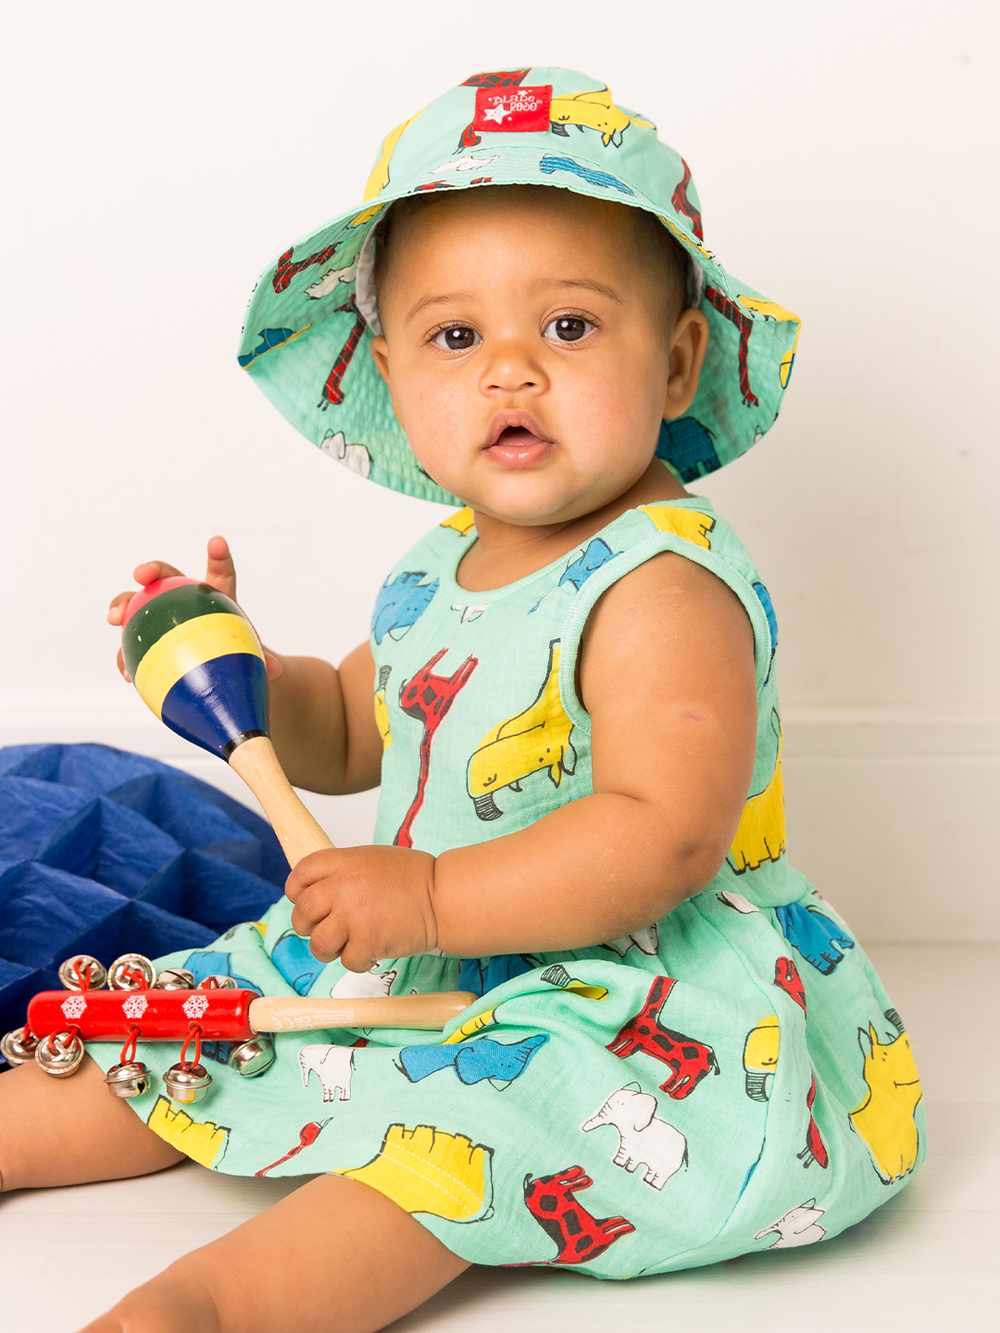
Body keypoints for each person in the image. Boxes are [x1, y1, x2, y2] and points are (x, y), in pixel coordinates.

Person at [0, 67, 924, 1333]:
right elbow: (354, 728)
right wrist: (247, 679)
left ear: (675, 362)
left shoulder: (662, 583)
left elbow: (663, 833)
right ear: (391, 374)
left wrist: (430, 895)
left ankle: (204, 1307)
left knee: (451, 1144)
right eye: (455, 338)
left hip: (620, 989)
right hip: (424, 943)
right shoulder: (438, 566)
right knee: (193, 1017)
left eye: (569, 327)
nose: (509, 374)